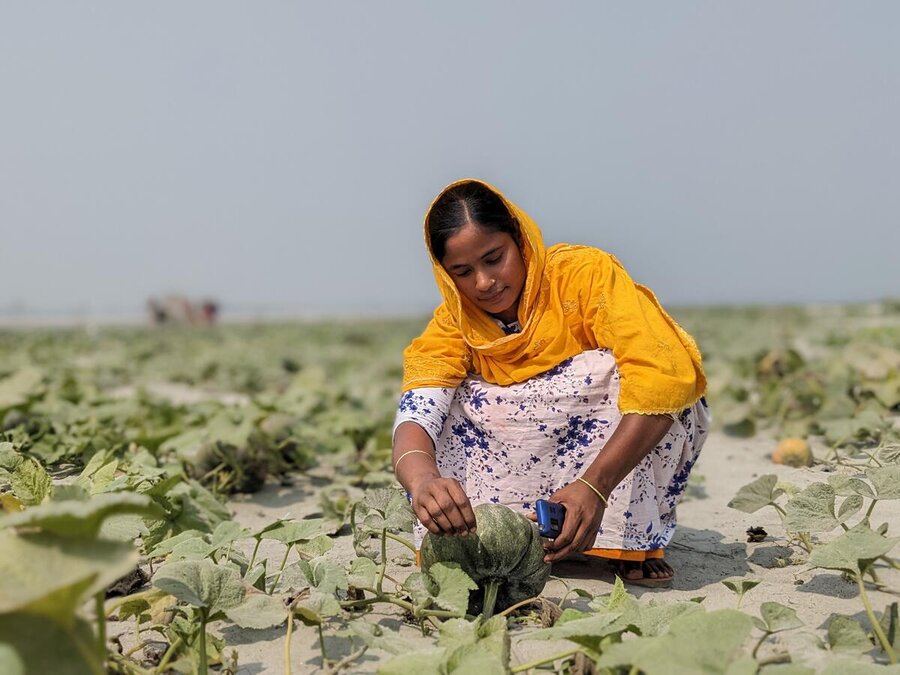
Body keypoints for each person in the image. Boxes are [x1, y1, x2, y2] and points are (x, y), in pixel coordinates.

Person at [392, 179, 710, 587]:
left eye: (494, 258)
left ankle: (626, 539)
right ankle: (512, 539)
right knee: (453, 397)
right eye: (463, 272)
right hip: (519, 455)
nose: (485, 283)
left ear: (519, 240)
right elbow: (417, 413)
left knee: (626, 375)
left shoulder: (584, 276)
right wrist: (422, 481)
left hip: (604, 468)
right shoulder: (454, 323)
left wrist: (594, 489)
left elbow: (663, 374)